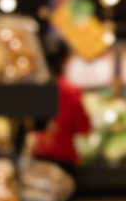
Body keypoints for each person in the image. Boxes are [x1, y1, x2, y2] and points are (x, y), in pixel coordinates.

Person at [31, 45, 92, 175]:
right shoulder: (71, 91)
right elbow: (84, 127)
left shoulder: (36, 89)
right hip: (64, 156)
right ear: (65, 61)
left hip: (39, 153)